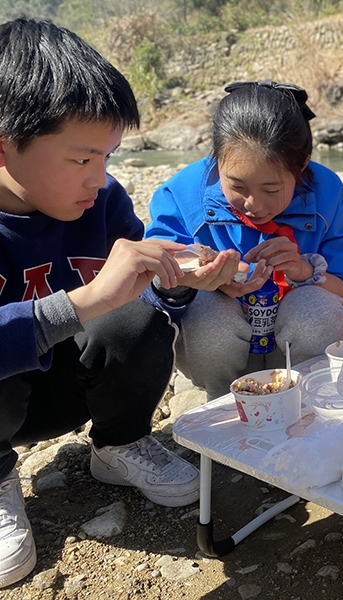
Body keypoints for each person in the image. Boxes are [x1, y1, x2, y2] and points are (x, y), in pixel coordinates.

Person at [0, 19, 201, 589]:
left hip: (66, 388)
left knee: (136, 318)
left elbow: (134, 302)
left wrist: (182, 281)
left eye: (109, 157)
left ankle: (119, 442)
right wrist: (86, 299)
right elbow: (92, 299)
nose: (101, 179)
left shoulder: (104, 202)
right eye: (82, 160)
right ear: (5, 146)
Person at [146, 81, 343, 401]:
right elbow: (155, 287)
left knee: (319, 308)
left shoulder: (325, 194)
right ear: (216, 160)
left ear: (302, 165)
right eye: (237, 186)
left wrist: (306, 272)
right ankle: (222, 400)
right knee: (208, 308)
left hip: (296, 355)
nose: (254, 204)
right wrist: (203, 281)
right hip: (218, 354)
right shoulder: (183, 194)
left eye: (271, 189)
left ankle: (304, 399)